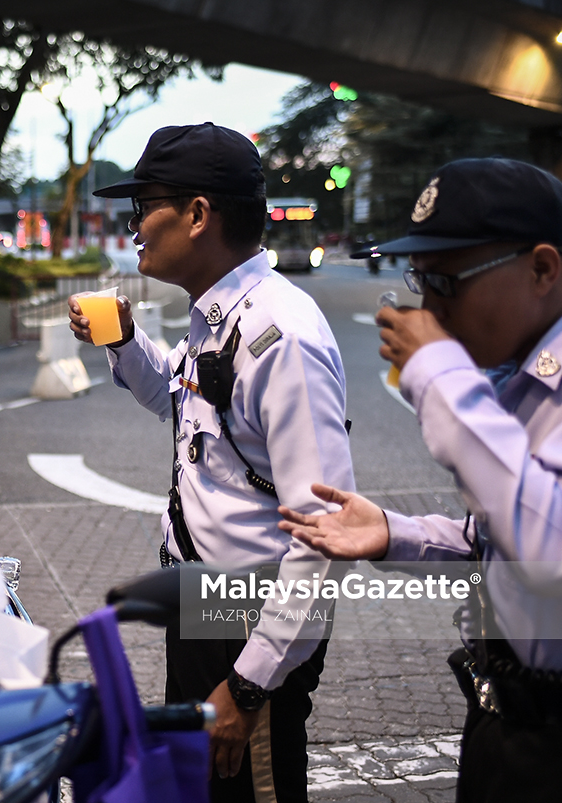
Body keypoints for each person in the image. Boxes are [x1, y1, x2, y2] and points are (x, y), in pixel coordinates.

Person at [277, 157, 562, 801]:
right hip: (511, 722)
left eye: (447, 283)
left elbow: (557, 549)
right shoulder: (529, 371)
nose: (428, 308)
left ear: (542, 268)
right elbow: (509, 533)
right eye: (419, 280)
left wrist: (438, 373)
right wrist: (394, 533)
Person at [68, 122, 354, 802]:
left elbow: (324, 536)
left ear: (199, 214)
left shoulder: (281, 335)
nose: (133, 224)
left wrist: (249, 682)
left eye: (145, 206)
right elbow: (179, 398)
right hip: (209, 606)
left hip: (252, 626)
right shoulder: (219, 313)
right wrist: (126, 341)